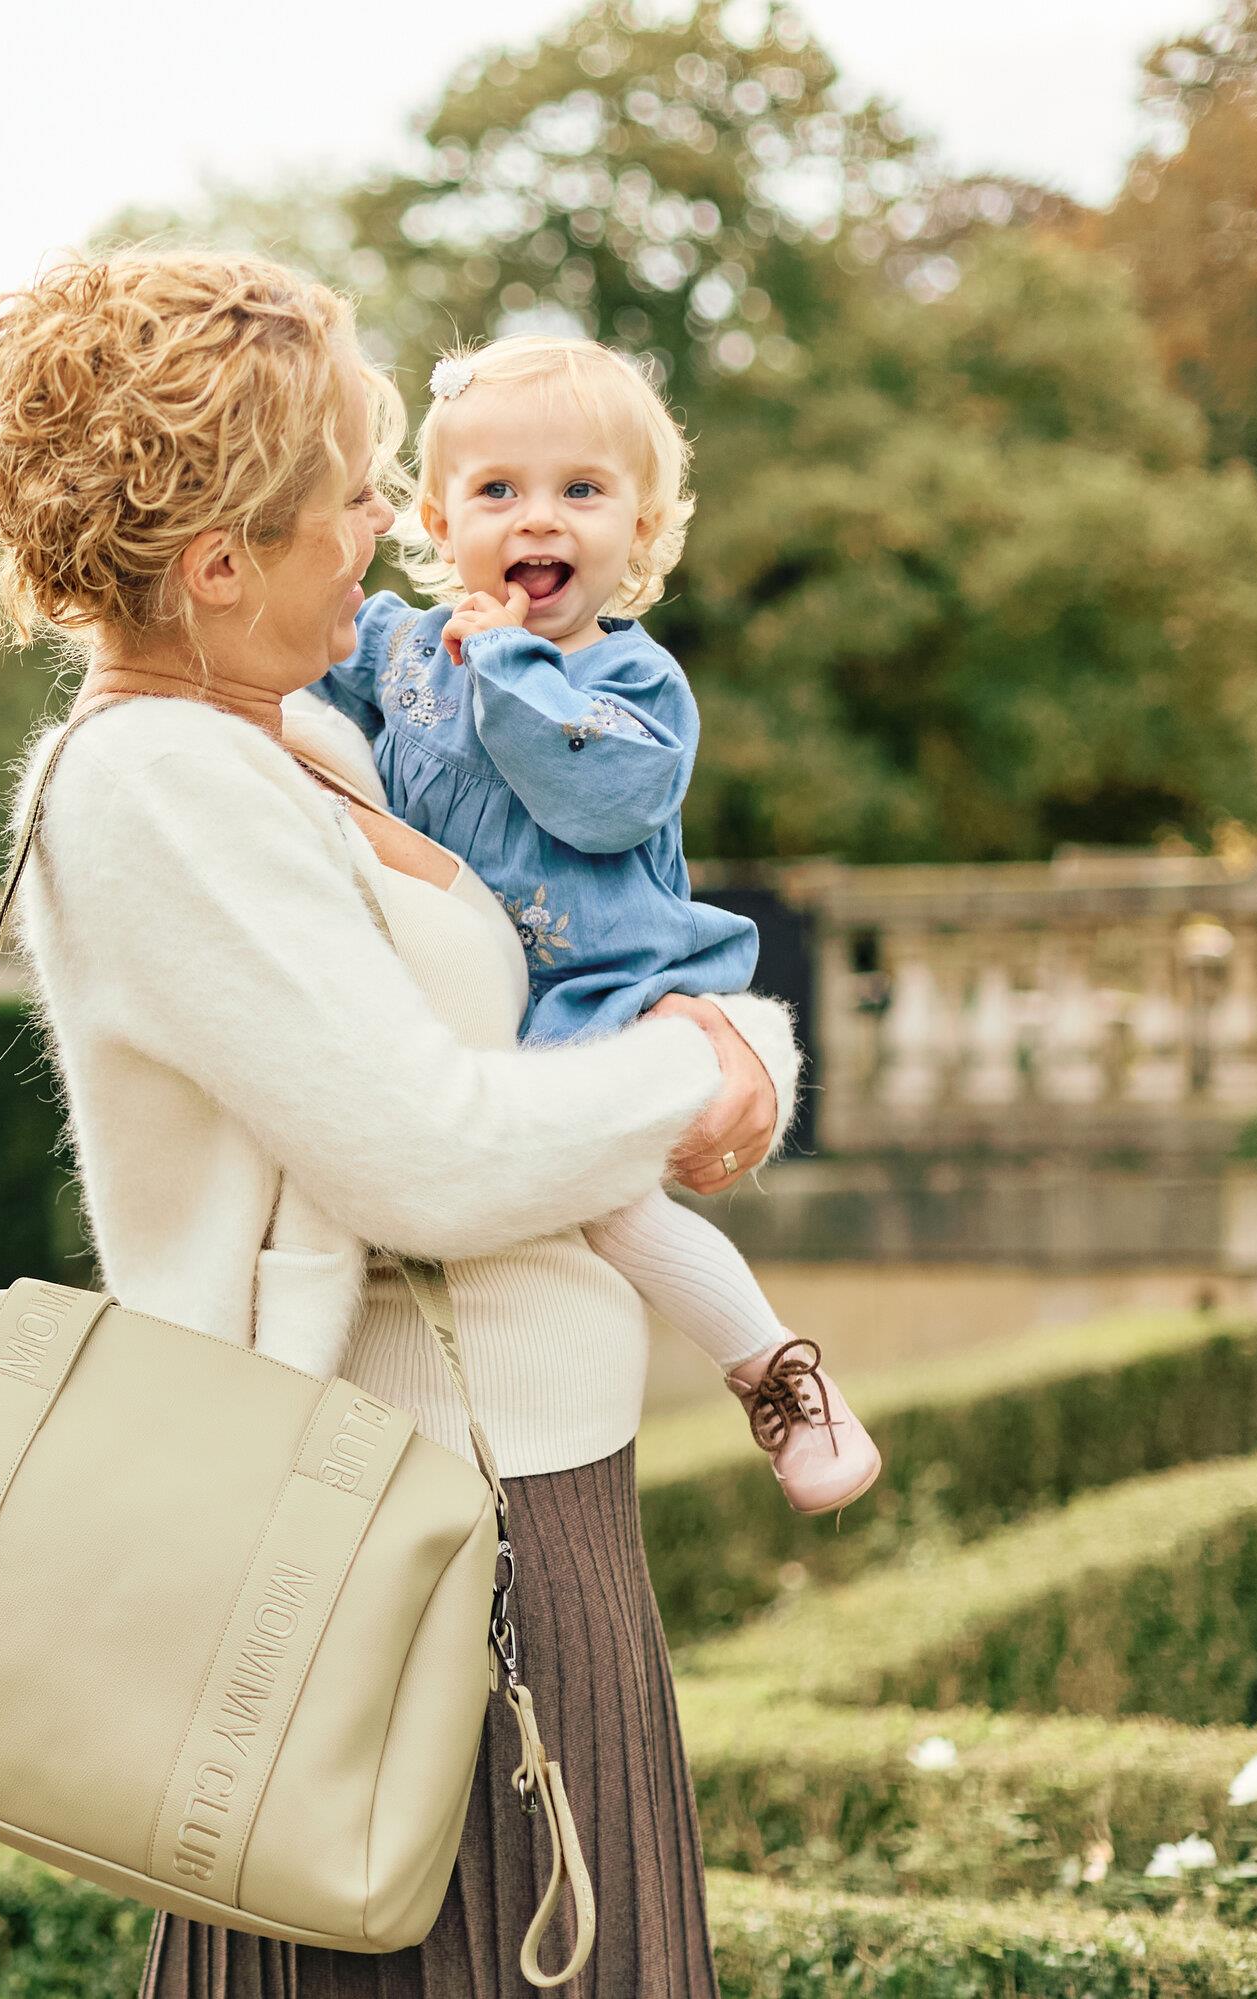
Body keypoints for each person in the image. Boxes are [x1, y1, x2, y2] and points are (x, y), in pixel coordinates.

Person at [0, 244, 803, 1997]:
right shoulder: (156, 782)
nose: (384, 523)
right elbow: (420, 1151)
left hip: (505, 1508)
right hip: (390, 1537)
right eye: (351, 491)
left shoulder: (292, 743)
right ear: (217, 561)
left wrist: (708, 1028)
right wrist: (716, 1060)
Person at [307, 334, 880, 1515]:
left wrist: (510, 660)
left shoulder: (631, 684)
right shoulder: (405, 649)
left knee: (614, 1205)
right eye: (498, 491)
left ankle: (774, 1369)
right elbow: (291, 665)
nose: (540, 522)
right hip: (477, 995)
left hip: (610, 983)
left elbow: (599, 794)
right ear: (435, 515)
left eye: (582, 491)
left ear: (643, 526)